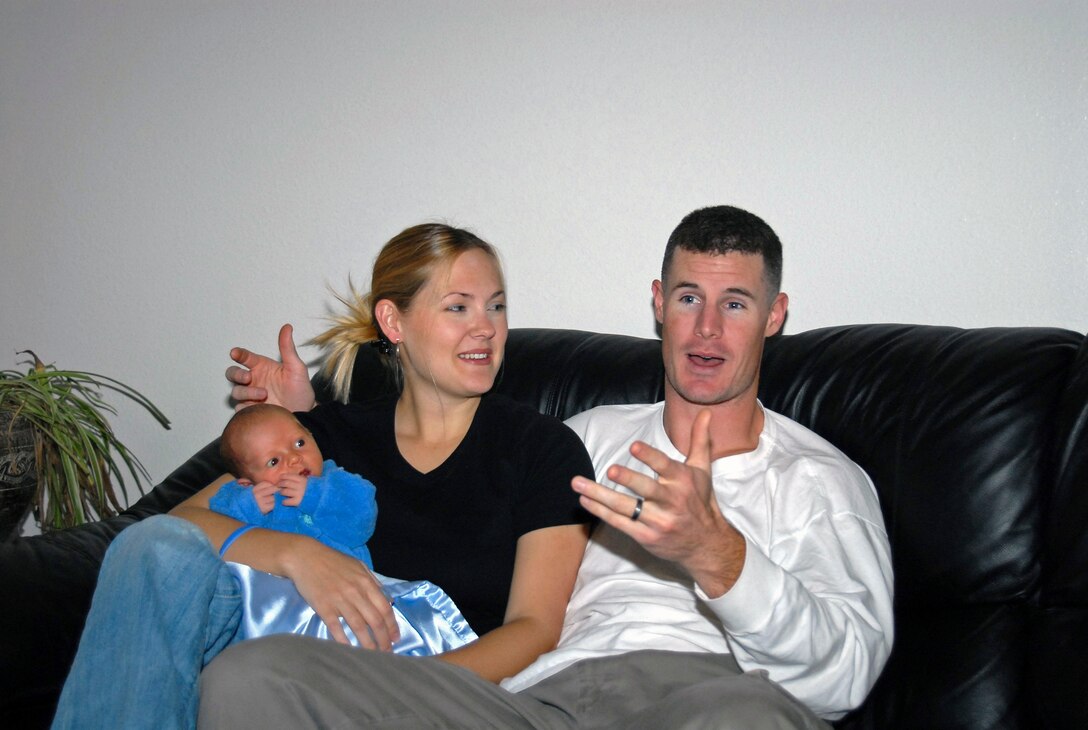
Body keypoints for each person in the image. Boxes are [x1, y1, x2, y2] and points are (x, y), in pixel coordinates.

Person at [198, 205, 894, 729]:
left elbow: (846, 677)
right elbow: (433, 510)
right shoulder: (576, 439)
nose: (707, 329)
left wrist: (721, 557)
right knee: (253, 677)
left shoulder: (821, 481)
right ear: (659, 304)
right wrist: (303, 432)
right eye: (689, 299)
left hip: (712, 700)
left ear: (774, 316)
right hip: (538, 701)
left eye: (734, 304)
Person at [51, 223, 594, 729]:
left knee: (251, 673)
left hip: (435, 682)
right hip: (284, 644)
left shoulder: (541, 449)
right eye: (459, 307)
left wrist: (400, 686)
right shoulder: (324, 436)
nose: (487, 327)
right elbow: (180, 524)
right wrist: (299, 556)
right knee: (152, 548)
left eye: (496, 307)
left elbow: (534, 628)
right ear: (393, 322)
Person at [210, 403, 477, 653]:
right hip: (276, 616)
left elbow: (361, 523)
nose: (293, 458)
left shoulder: (335, 481)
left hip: (349, 602)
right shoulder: (249, 496)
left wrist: (315, 495)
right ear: (245, 481)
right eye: (273, 461)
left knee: (388, 629)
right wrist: (247, 507)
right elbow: (217, 525)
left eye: (300, 443)